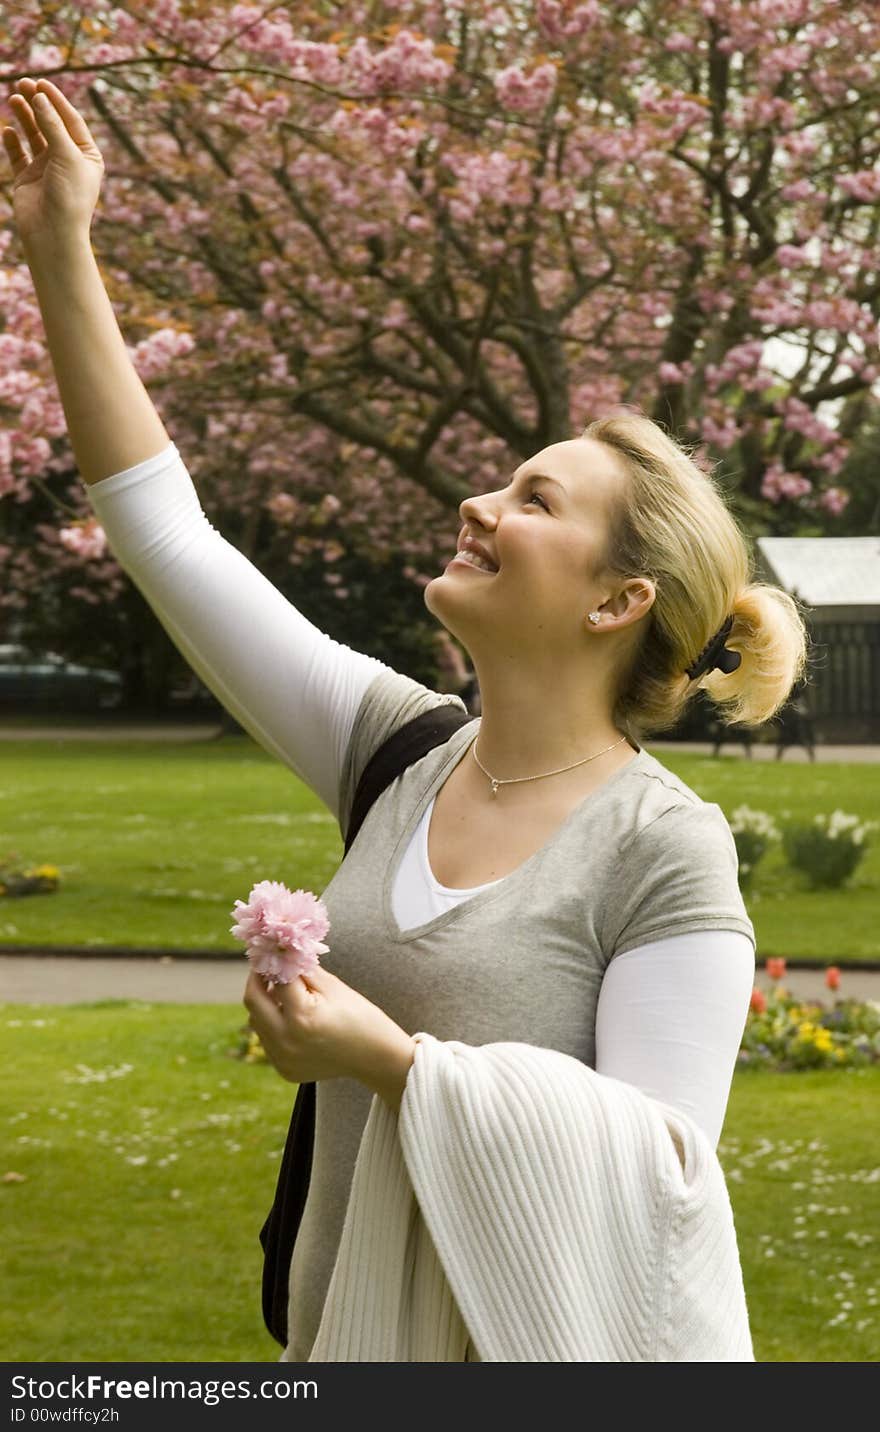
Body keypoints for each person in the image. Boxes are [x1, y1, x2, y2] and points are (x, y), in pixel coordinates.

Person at [5, 79, 808, 1362]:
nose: (479, 504)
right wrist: (60, 246)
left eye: (532, 498)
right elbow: (163, 534)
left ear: (619, 599)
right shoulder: (395, 750)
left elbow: (664, 1178)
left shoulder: (665, 851)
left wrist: (393, 1063)